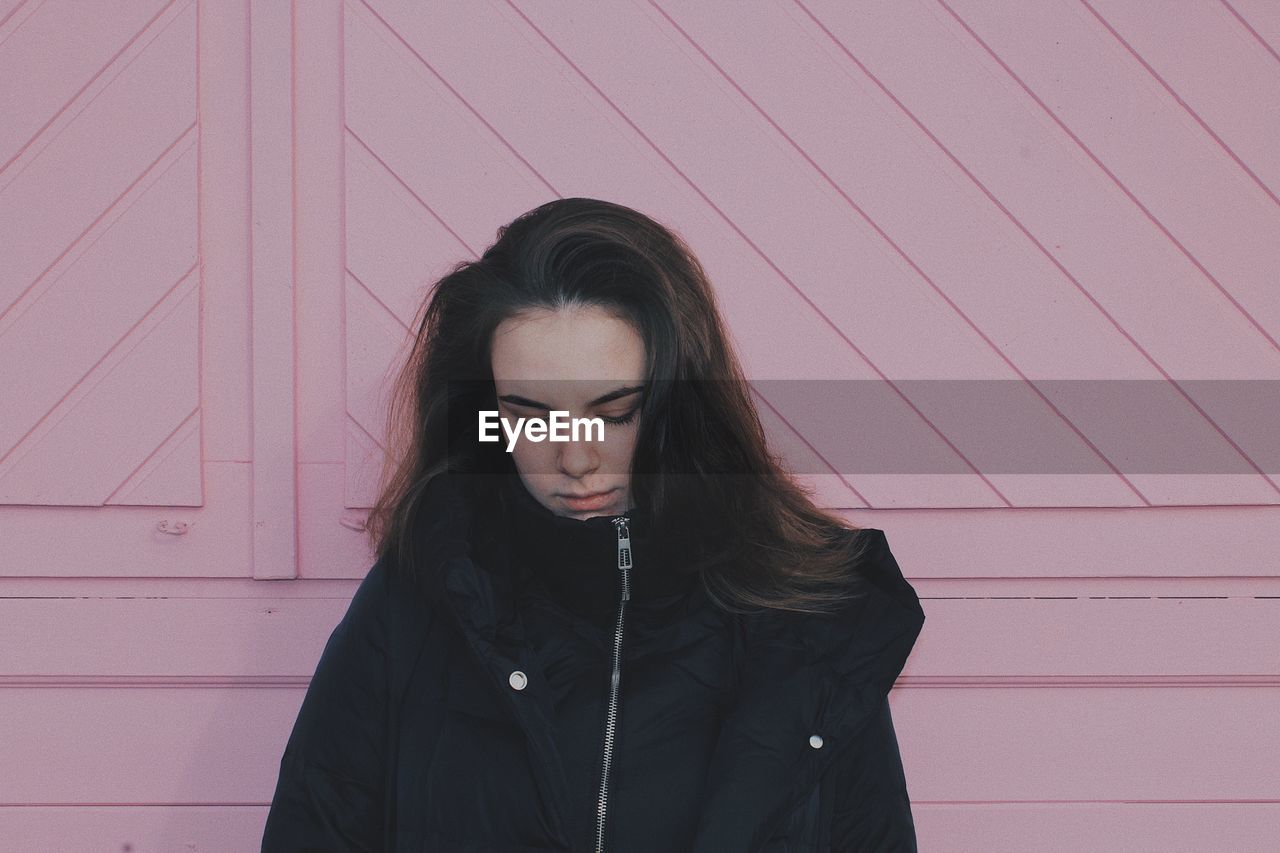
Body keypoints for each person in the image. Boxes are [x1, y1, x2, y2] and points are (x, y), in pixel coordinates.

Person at [261, 198, 926, 852]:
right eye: (531, 415)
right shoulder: (419, 600)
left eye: (613, 412)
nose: (575, 458)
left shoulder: (805, 620)